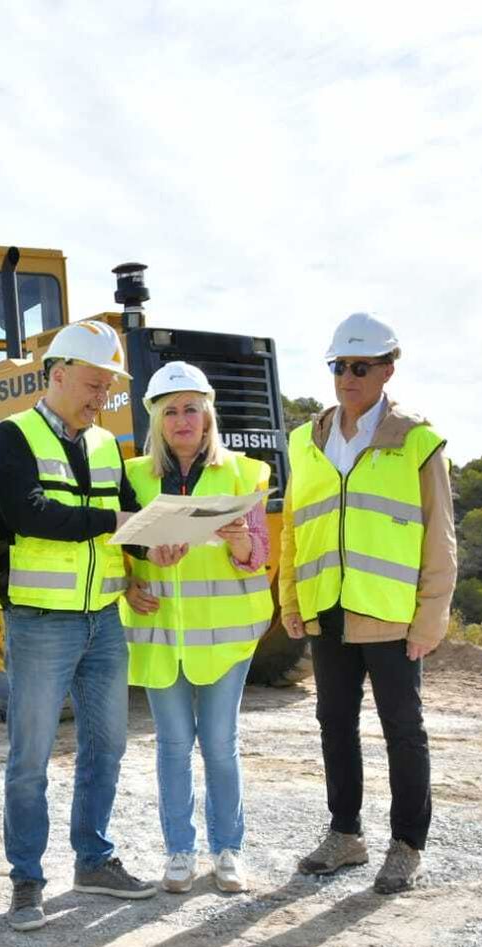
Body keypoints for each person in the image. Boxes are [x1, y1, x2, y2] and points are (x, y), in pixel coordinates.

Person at [0, 319, 186, 932]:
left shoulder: (108, 447)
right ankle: (27, 879)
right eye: (95, 384)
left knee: (108, 746)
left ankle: (93, 860)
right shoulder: (11, 438)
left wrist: (154, 552)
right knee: (31, 757)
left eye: (109, 386)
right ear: (59, 374)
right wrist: (115, 520)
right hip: (41, 623)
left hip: (102, 619)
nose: (103, 395)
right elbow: (30, 514)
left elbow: (126, 527)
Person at [280, 312, 457, 894]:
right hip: (326, 605)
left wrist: (430, 617)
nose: (347, 377)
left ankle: (407, 845)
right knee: (334, 723)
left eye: (360, 367)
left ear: (387, 369)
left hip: (390, 612)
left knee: (403, 729)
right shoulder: (305, 441)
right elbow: (293, 530)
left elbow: (439, 535)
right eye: (339, 366)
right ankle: (345, 834)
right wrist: (290, 599)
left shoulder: (416, 441)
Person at [120, 361, 273, 895]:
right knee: (172, 744)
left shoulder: (244, 473)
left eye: (191, 409)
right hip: (160, 632)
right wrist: (125, 584)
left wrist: (238, 542)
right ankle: (179, 853)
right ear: (157, 421)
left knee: (219, 743)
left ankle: (228, 851)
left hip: (226, 635)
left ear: (208, 415)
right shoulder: (134, 476)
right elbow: (118, 546)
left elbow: (259, 556)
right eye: (171, 411)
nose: (182, 420)